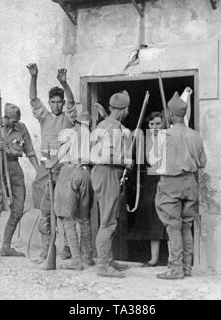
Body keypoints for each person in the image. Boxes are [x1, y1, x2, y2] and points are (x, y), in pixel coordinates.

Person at [0, 103, 40, 264]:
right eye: (13, 121)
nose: (15, 123)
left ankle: (6, 247)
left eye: (17, 120)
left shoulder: (21, 128)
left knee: (18, 209)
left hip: (15, 169)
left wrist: (39, 171)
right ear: (4, 117)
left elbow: (30, 151)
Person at [27, 63, 77, 260]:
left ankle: (67, 248)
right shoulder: (44, 117)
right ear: (49, 103)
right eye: (53, 102)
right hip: (46, 169)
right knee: (46, 212)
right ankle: (47, 249)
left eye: (59, 102)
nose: (57, 105)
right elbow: (33, 99)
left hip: (64, 169)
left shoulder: (68, 117)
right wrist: (34, 77)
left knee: (66, 211)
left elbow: (72, 100)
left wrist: (64, 84)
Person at [154, 91, 206, 280]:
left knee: (173, 227)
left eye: (167, 112)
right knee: (186, 225)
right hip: (190, 182)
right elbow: (202, 163)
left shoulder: (163, 135)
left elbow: (154, 163)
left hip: (170, 183)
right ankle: (186, 267)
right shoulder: (195, 136)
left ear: (172, 114)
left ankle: (175, 268)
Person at [90, 90, 133, 278]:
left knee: (111, 218)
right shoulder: (114, 129)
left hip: (104, 173)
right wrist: (125, 161)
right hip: (107, 172)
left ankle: (108, 259)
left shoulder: (103, 124)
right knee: (107, 220)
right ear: (125, 110)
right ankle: (103, 266)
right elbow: (104, 155)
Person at [53, 111, 94, 271]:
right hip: (86, 172)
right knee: (84, 218)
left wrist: (51, 164)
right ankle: (88, 257)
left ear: (75, 122)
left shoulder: (73, 133)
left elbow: (59, 155)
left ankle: (76, 260)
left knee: (66, 217)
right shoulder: (92, 135)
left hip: (69, 171)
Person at [128, 111, 168, 267]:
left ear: (163, 124)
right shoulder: (144, 139)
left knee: (168, 217)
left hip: (166, 181)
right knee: (152, 218)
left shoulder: (169, 137)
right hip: (151, 182)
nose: (155, 127)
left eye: (158, 123)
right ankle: (154, 258)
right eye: (152, 124)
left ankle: (173, 258)